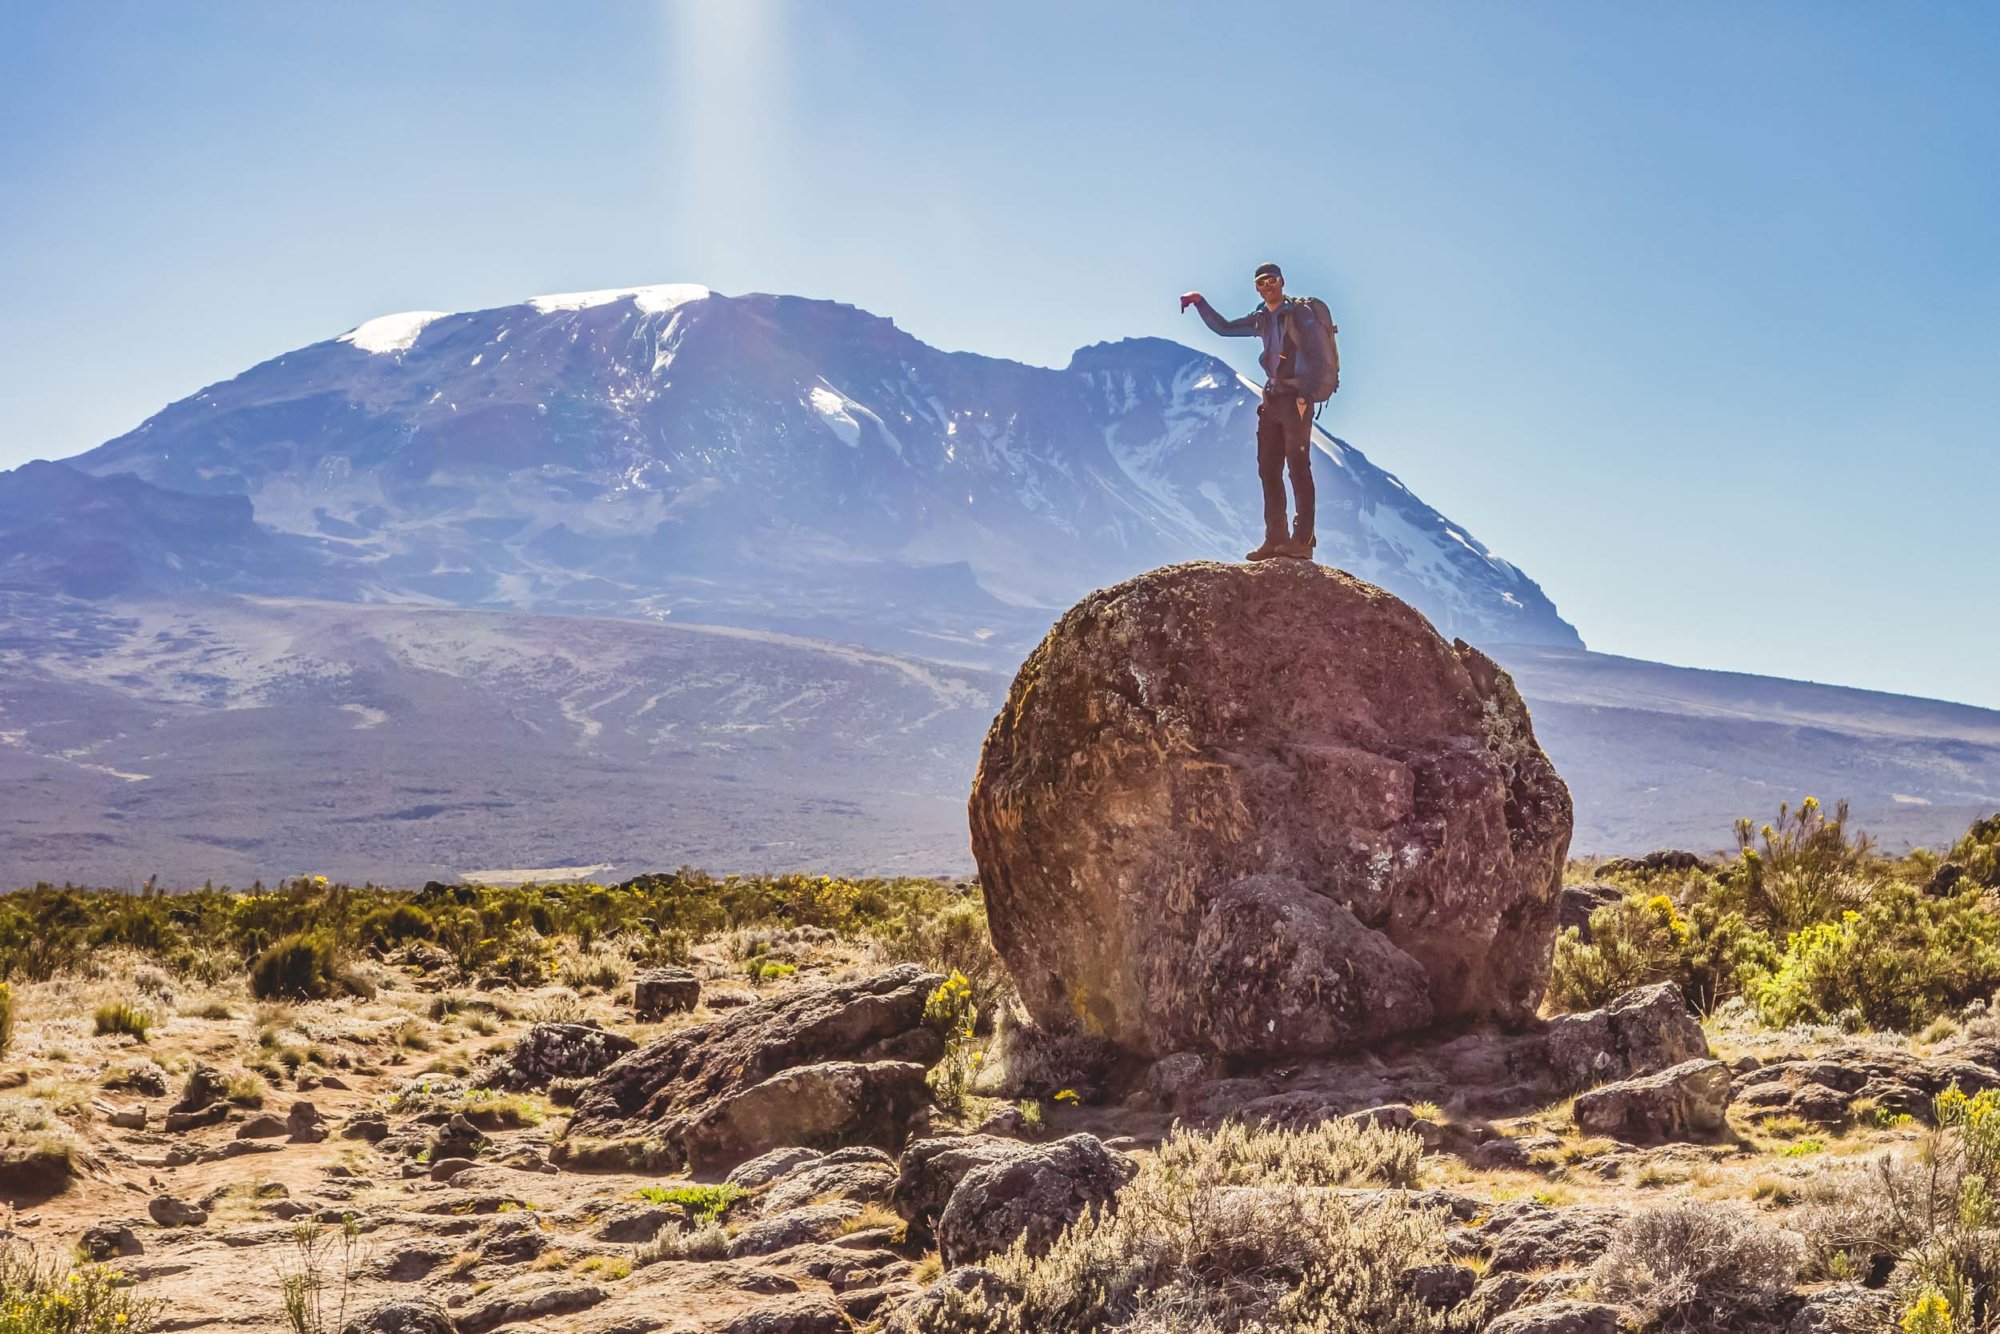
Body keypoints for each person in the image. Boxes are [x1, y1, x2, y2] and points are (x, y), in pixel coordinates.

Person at [1180, 263, 1330, 561]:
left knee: (1298, 468)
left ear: (1282, 281)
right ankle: (1275, 539)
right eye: (1261, 282)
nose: (1267, 286)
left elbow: (1318, 356)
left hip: (1295, 398)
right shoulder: (1262, 318)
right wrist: (1199, 302)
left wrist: (1306, 395)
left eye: (1271, 280)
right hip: (1273, 399)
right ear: (1256, 287)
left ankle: (1302, 541)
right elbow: (1224, 328)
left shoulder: (1299, 315)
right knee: (1268, 468)